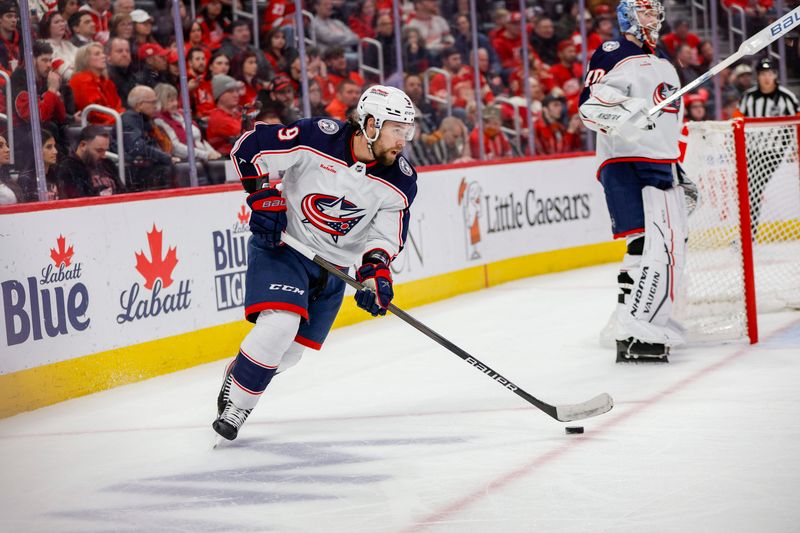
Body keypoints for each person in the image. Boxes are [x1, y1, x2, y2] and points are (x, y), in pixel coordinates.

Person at [212, 84, 418, 441]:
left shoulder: (401, 180)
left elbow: (383, 239)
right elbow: (251, 148)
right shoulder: (316, 137)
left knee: (289, 354)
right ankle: (239, 408)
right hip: (285, 247)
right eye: (396, 130)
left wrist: (374, 276)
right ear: (370, 124)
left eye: (406, 131)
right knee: (279, 327)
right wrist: (262, 197)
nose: (402, 140)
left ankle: (242, 372)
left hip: (333, 269)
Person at [579, 0, 690, 362]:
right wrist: (629, 113)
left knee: (662, 245)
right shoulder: (613, 52)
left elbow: (669, 123)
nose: (653, 18)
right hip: (626, 160)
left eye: (656, 12)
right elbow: (590, 105)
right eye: (645, 12)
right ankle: (636, 330)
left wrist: (678, 167)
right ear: (628, 16)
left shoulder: (664, 61)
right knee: (644, 245)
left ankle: (633, 321)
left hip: (661, 163)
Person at [735, 57, 800, 234]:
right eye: (763, 73)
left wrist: (796, 148)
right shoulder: (749, 97)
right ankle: (749, 232)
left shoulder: (787, 97)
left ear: (775, 75)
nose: (766, 77)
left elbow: (797, 122)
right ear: (758, 76)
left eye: (770, 73)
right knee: (750, 190)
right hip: (752, 150)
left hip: (775, 152)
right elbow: (736, 120)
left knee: (754, 187)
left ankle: (749, 233)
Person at [121, 85, 176, 191]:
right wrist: (166, 158)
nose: (156, 106)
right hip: (135, 170)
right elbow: (138, 148)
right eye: (153, 102)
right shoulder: (129, 120)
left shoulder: (145, 120)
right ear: (139, 105)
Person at [57, 125, 123, 197]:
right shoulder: (68, 168)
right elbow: (76, 200)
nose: (103, 155)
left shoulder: (108, 164)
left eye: (105, 150)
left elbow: (124, 192)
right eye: (99, 150)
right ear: (83, 145)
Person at [70, 42, 124, 124]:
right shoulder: (80, 79)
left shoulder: (105, 81)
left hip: (113, 121)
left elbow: (117, 105)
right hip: (96, 127)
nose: (103, 56)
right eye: (97, 54)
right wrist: (119, 117)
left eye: (102, 53)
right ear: (85, 60)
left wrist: (121, 116)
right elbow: (93, 113)